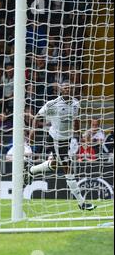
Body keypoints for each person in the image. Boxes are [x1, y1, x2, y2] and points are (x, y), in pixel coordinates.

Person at [27, 81, 96, 210]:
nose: (67, 90)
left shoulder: (76, 103)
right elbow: (37, 117)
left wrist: (79, 136)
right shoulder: (52, 104)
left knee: (56, 164)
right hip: (56, 140)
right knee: (68, 169)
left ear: (72, 90)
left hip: (67, 139)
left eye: (69, 87)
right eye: (65, 88)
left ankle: (31, 171)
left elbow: (76, 120)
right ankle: (81, 202)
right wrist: (32, 133)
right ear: (61, 90)